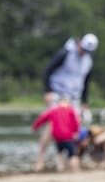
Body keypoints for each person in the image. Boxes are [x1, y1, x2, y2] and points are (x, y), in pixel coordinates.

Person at [35, 33, 98, 171]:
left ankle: (67, 161)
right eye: (83, 49)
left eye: (88, 51)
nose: (84, 53)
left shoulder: (88, 61)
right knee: (53, 126)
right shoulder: (65, 53)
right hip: (57, 94)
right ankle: (40, 159)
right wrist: (48, 91)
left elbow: (86, 82)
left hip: (74, 97)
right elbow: (47, 70)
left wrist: (84, 102)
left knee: (74, 128)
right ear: (79, 42)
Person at [31, 99, 82, 172]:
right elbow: (75, 123)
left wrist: (35, 127)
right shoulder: (70, 110)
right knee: (72, 154)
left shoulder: (53, 111)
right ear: (67, 103)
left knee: (59, 154)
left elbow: (42, 119)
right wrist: (76, 132)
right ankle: (76, 170)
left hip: (57, 137)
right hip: (68, 136)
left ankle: (60, 169)